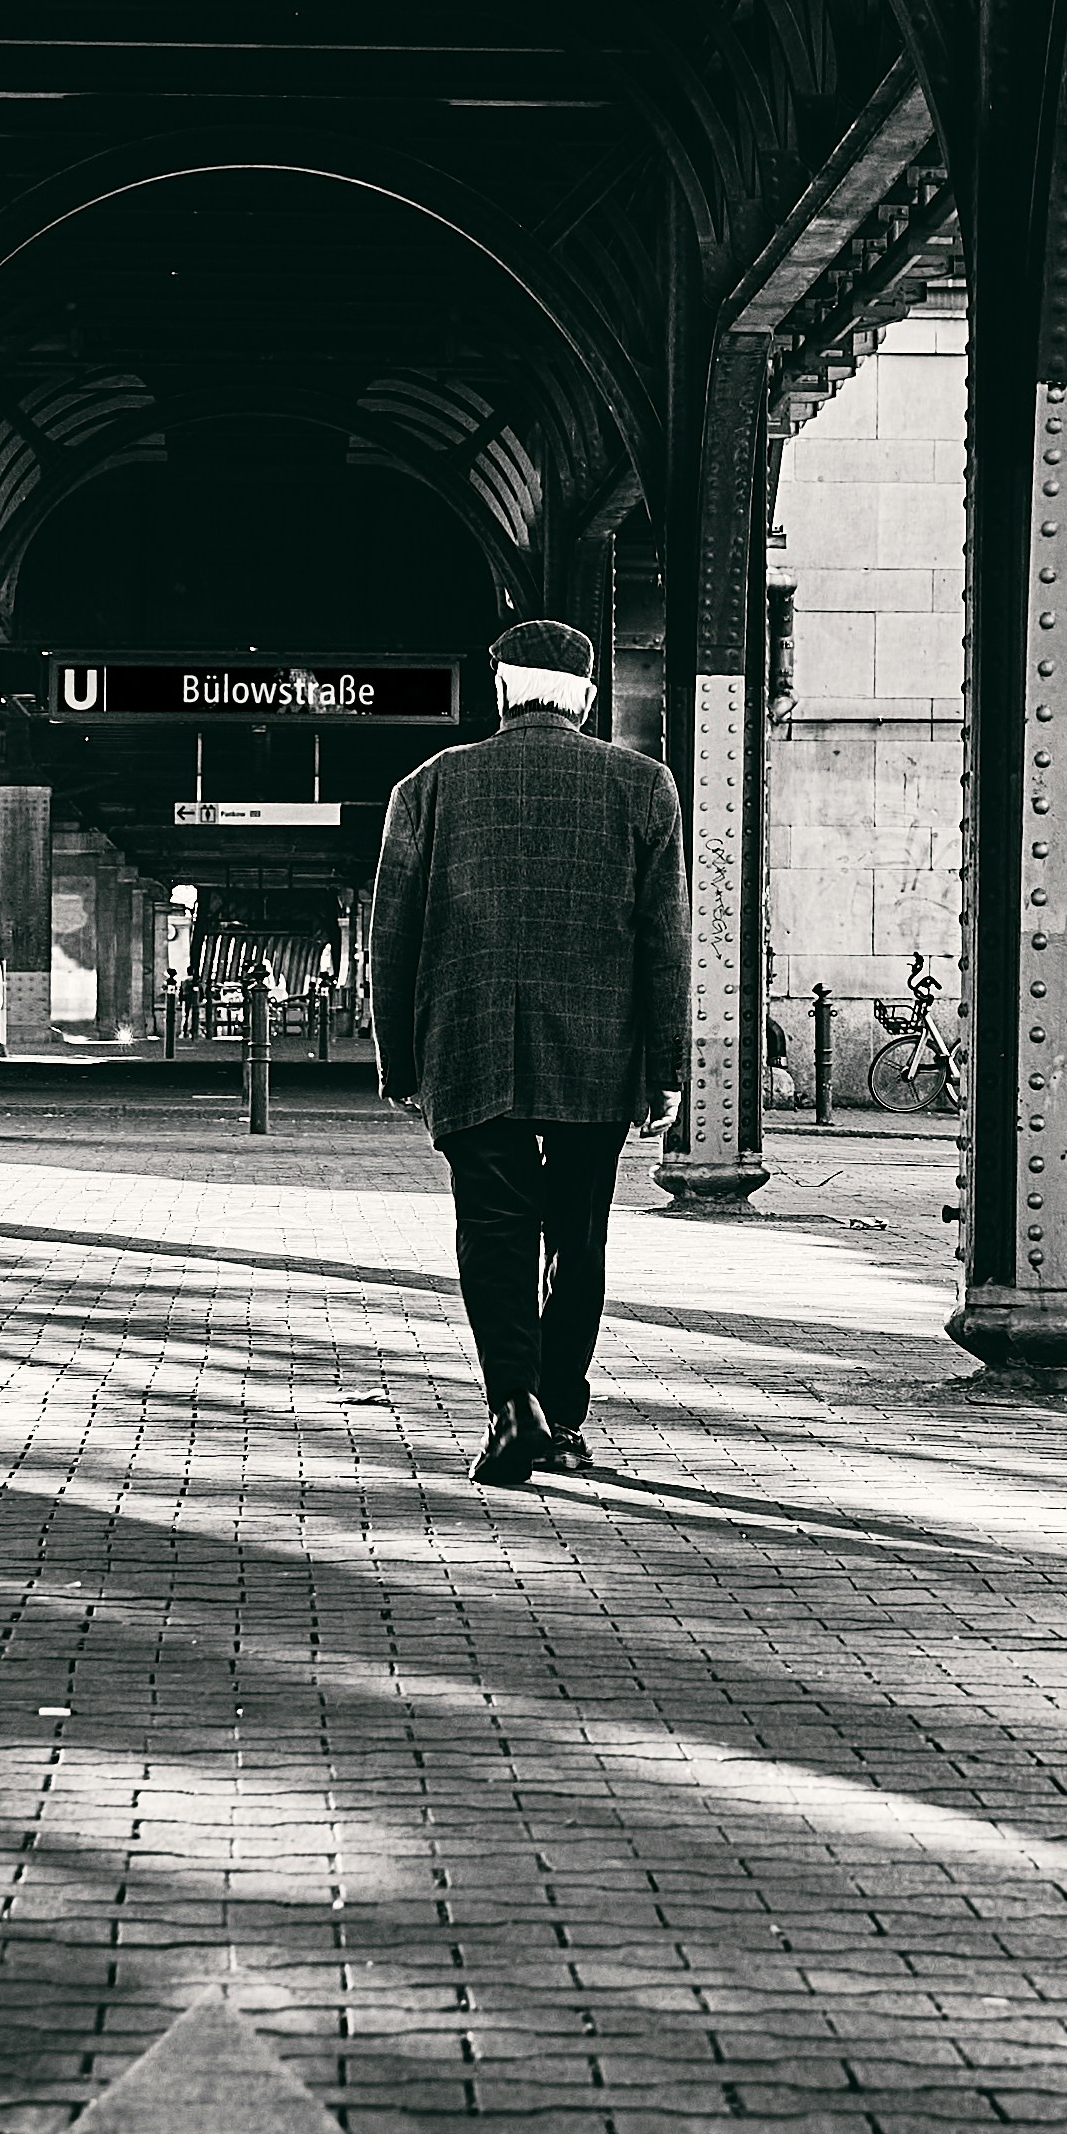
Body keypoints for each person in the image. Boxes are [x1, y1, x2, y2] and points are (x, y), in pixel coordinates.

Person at [369, 615, 687, 1488]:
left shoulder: (430, 786)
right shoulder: (644, 786)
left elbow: (391, 938)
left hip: (470, 1049)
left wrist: (400, 1061)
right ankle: (564, 1415)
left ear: (502, 688)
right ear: (586, 698)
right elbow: (666, 944)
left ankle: (514, 1407)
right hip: (596, 1052)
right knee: (578, 1238)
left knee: (494, 1230)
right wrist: (665, 1068)